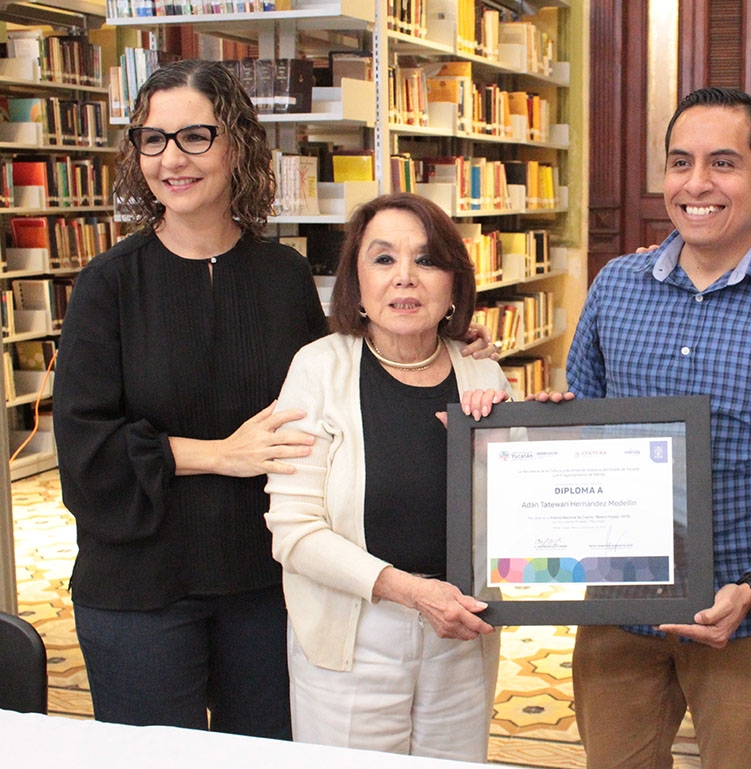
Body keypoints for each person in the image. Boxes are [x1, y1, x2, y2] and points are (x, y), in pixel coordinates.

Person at [565, 87, 751, 769]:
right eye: (680, 162)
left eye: (723, 164)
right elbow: (580, 418)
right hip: (619, 615)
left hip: (749, 619)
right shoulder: (615, 286)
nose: (696, 184)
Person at [53, 59, 326, 738]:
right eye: (152, 139)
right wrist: (220, 454)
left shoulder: (285, 277)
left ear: (237, 143)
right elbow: (86, 452)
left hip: (266, 585)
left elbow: (333, 396)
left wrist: (444, 345)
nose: (171, 158)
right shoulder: (107, 285)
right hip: (141, 585)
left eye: (194, 137)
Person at [263, 192, 512, 760]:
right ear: (356, 279)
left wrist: (534, 434)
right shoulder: (318, 369)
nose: (406, 278)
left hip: (461, 635)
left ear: (453, 282)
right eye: (383, 259)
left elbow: (522, 515)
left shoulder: (484, 372)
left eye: (426, 260)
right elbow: (294, 531)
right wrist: (411, 592)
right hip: (354, 636)